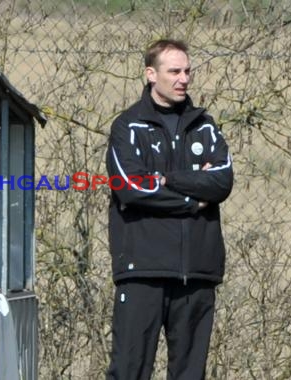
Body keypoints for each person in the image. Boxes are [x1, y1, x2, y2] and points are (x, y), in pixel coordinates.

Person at [105, 39, 233, 380]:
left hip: (197, 272)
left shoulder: (205, 126)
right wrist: (192, 197)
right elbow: (130, 188)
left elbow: (221, 182)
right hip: (142, 270)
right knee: (129, 371)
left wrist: (166, 179)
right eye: (174, 71)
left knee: (191, 374)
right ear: (151, 74)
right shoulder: (127, 127)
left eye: (187, 71)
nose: (183, 79)